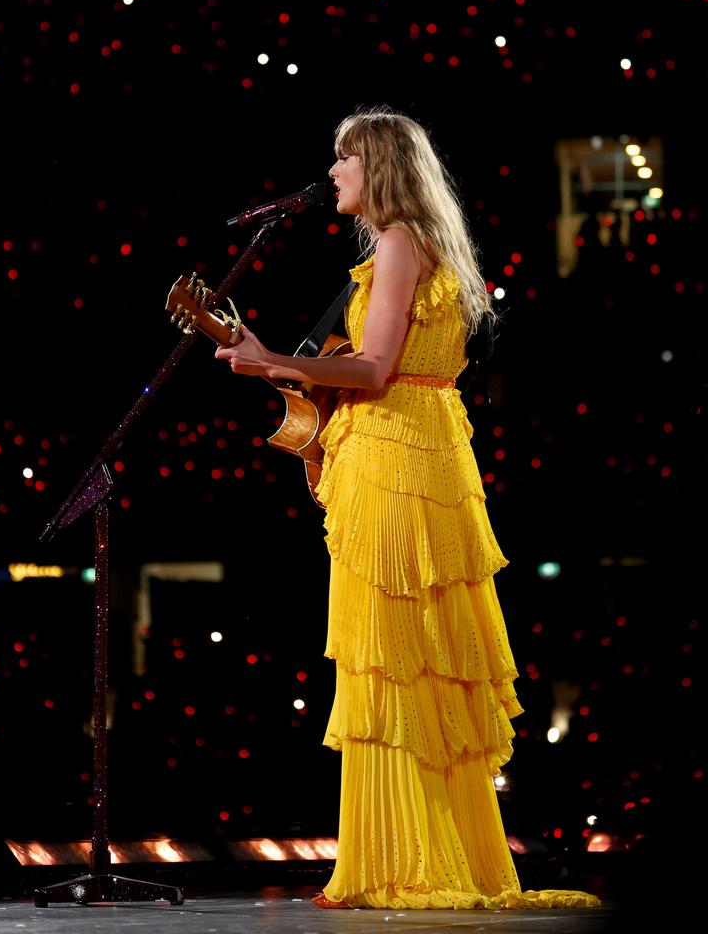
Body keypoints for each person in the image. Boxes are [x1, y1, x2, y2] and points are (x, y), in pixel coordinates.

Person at [215, 105, 601, 911]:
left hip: (398, 464)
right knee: (414, 655)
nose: (331, 173)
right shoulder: (420, 243)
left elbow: (378, 369)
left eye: (343, 158)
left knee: (391, 654)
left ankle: (406, 860)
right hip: (426, 456)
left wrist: (265, 362)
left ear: (378, 164)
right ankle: (423, 852)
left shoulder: (396, 242)